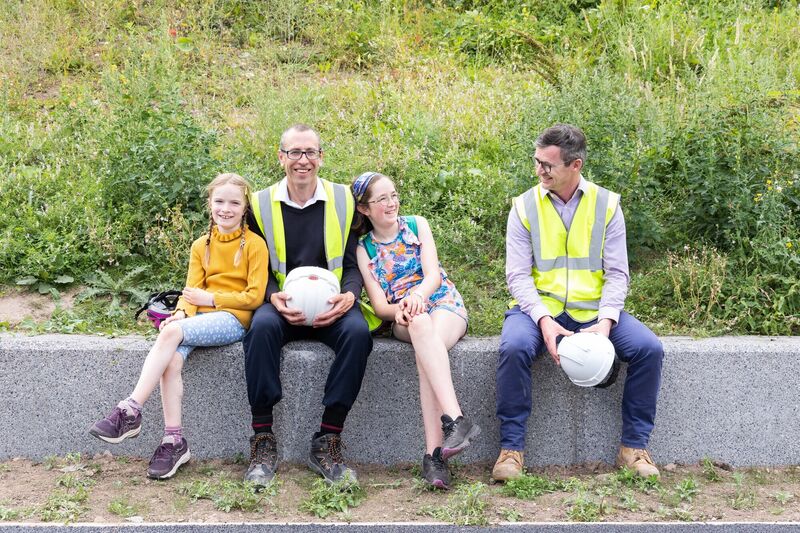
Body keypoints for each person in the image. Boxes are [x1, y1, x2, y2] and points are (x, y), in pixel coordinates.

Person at [493, 124, 664, 481]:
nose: (539, 171)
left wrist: (605, 324)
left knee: (649, 349)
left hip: (595, 312)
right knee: (513, 348)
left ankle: (633, 448)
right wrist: (543, 319)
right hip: (539, 310)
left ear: (576, 166)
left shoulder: (607, 205)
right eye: (537, 162)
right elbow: (518, 276)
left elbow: (618, 274)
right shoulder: (524, 207)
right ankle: (511, 451)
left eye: (547, 165)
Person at [89, 173, 268, 480]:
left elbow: (253, 298)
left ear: (245, 207)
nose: (226, 208)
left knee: (170, 334)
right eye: (219, 201)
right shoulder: (202, 245)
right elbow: (189, 291)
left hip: (233, 319)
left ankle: (130, 409)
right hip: (199, 318)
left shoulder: (254, 245)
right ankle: (174, 441)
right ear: (209, 204)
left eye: (234, 202)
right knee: (171, 360)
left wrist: (210, 299)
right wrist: (182, 313)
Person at [243, 124, 375, 485]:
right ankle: (263, 439)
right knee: (261, 329)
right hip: (284, 304)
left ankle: (328, 438)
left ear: (321, 157)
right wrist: (272, 295)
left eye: (310, 152)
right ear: (280, 156)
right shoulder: (259, 204)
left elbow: (352, 262)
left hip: (332, 303)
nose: (303, 160)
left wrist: (350, 295)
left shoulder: (344, 200)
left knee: (359, 334)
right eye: (295, 153)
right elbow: (257, 265)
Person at [351, 171, 480, 490]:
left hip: (442, 303)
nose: (391, 203)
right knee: (420, 327)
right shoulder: (363, 248)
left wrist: (418, 297)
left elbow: (433, 276)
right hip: (403, 316)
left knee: (427, 350)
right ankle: (456, 419)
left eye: (393, 195)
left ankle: (434, 456)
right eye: (382, 199)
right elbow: (380, 307)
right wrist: (405, 308)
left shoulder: (417, 225)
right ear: (365, 209)